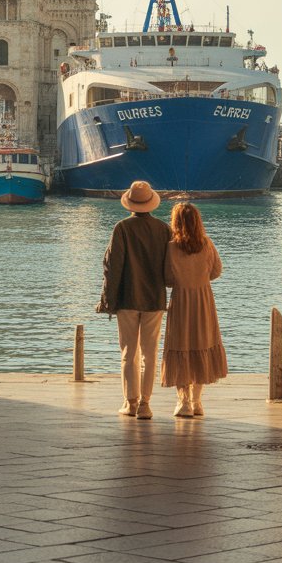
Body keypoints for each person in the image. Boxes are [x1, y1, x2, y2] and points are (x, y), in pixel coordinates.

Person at [100, 180, 170, 420]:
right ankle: (146, 404)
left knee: (129, 351)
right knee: (150, 353)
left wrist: (108, 300)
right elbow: (169, 266)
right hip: (155, 299)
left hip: (127, 298)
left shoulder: (122, 228)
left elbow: (113, 266)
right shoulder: (163, 229)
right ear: (151, 203)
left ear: (129, 204)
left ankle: (130, 402)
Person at [160, 202, 228, 418]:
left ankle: (183, 402)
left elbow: (167, 279)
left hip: (181, 301)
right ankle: (197, 401)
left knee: (181, 346)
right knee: (202, 343)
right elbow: (216, 271)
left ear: (176, 223)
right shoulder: (207, 244)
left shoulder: (170, 248)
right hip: (204, 301)